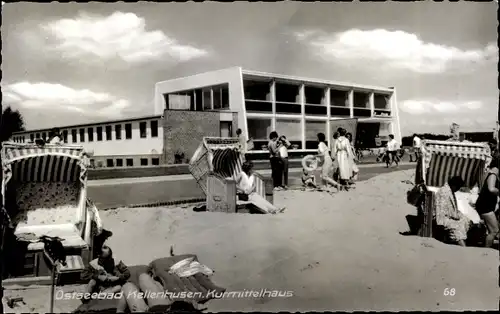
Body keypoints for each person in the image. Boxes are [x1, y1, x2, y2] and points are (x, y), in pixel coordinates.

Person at [435, 176, 471, 247]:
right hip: (443, 219)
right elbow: (442, 211)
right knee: (459, 226)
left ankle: (462, 242)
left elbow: (453, 209)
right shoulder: (444, 192)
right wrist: (456, 216)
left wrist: (460, 215)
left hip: (450, 216)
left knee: (466, 221)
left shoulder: (450, 191)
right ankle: (463, 247)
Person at [475, 158, 500, 248]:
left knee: (492, 230)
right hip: (485, 205)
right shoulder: (493, 173)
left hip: (485, 204)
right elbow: (491, 188)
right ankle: (486, 251)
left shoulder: (491, 172)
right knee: (494, 231)